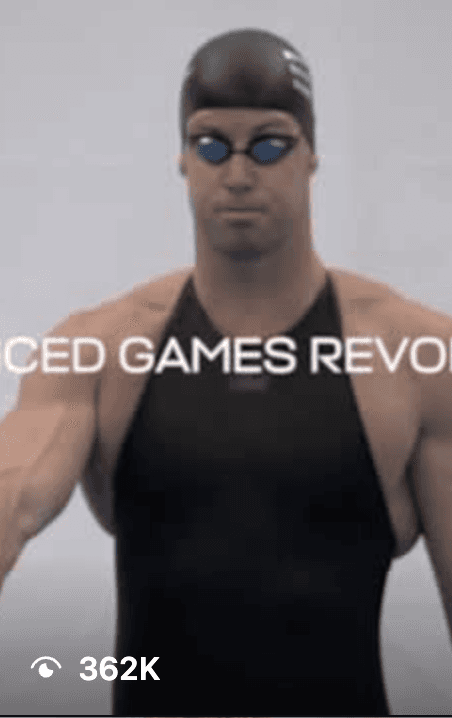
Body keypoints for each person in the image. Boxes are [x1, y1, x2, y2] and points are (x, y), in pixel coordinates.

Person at [1, 26, 452, 718]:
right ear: (183, 160)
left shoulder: (415, 359)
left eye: (269, 146)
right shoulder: (99, 351)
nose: (238, 175)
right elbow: (14, 492)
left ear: (310, 157)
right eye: (211, 146)